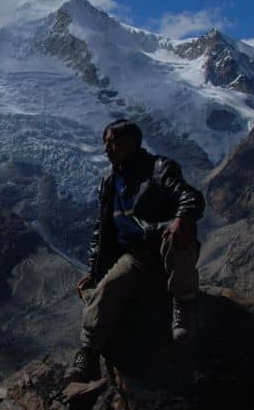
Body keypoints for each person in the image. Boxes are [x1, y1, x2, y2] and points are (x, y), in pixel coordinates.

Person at [67, 119, 205, 382]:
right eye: (105, 142)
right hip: (135, 256)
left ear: (132, 143)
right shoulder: (109, 183)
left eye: (113, 142)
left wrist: (182, 218)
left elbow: (191, 197)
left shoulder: (160, 169)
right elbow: (103, 231)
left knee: (176, 237)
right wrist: (94, 271)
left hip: (165, 245)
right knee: (105, 290)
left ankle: (183, 305)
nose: (107, 148)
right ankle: (88, 352)